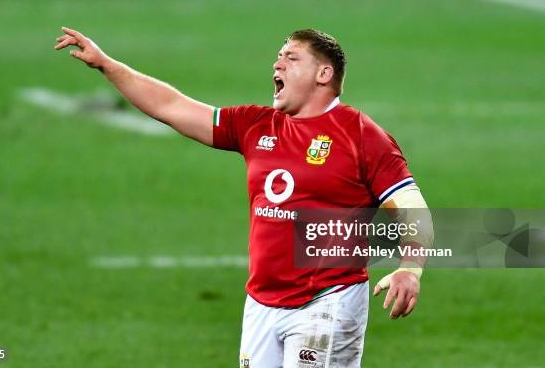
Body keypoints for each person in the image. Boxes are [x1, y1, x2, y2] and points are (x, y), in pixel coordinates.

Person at [55, 27, 433, 368]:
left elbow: (413, 207)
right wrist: (107, 65)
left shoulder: (360, 135)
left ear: (324, 74)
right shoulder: (256, 124)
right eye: (278, 56)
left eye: (291, 57)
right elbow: (172, 106)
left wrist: (409, 269)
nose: (277, 63)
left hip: (327, 302)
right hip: (262, 303)